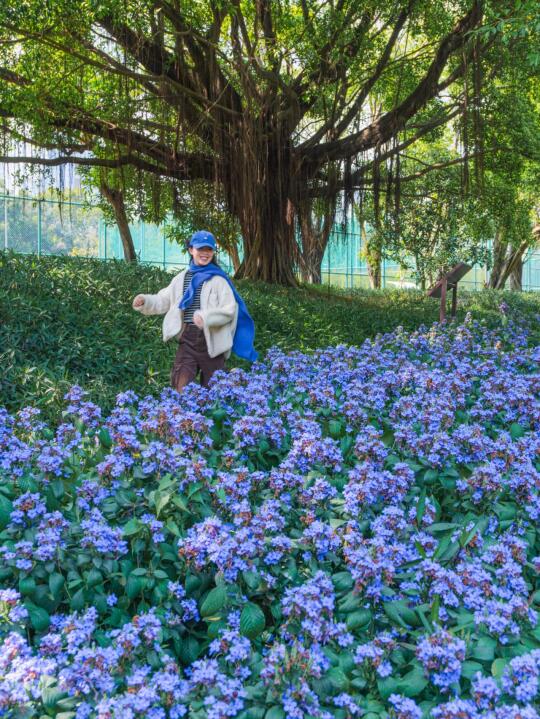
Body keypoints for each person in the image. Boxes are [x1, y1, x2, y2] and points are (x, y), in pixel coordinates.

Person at [132, 230, 257, 392]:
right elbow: (164, 299)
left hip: (212, 340)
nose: (205, 253)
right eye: (200, 249)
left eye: (209, 250)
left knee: (215, 391)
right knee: (181, 388)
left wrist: (206, 318)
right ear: (191, 250)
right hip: (188, 339)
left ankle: (212, 417)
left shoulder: (218, 280)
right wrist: (146, 301)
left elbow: (229, 310)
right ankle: (183, 417)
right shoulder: (182, 278)